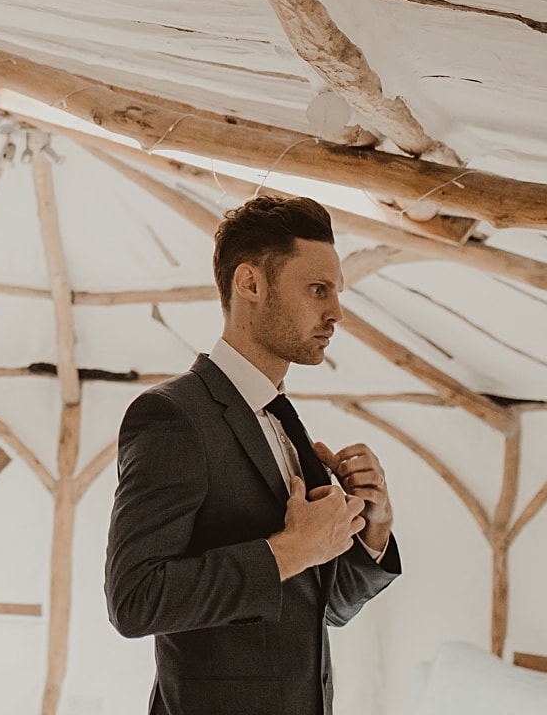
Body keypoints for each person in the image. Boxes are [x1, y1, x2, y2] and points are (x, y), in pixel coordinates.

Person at [104, 194, 400, 715]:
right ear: (250, 284)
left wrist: (371, 533)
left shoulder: (282, 422)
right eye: (317, 290)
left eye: (335, 292)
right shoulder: (172, 416)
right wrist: (290, 549)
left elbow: (319, 610)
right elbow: (134, 600)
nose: (336, 313)